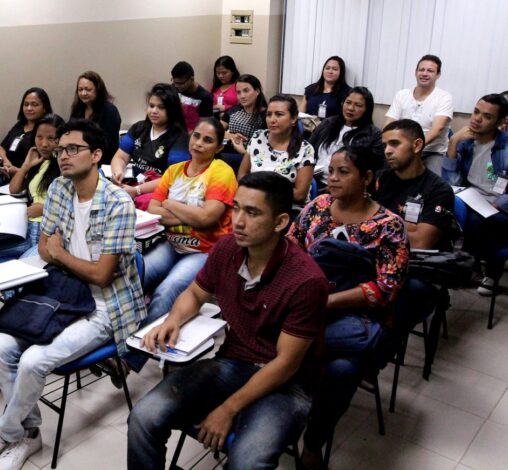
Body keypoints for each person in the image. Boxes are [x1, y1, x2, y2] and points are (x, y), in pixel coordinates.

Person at [0, 119, 146, 470]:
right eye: (60, 150)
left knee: (32, 361)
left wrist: (61, 255)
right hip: (64, 292)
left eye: (73, 149)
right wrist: (60, 256)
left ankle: (5, 433)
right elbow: (44, 248)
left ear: (96, 155)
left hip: (104, 305)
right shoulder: (58, 188)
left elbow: (102, 275)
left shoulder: (118, 203)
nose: (63, 156)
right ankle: (27, 434)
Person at [127, 172, 328, 470]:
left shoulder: (306, 281)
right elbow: (195, 293)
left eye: (252, 213)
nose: (238, 221)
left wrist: (228, 408)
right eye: (236, 208)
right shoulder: (227, 248)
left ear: (280, 222)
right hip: (234, 362)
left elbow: (286, 364)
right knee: (143, 417)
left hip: (286, 384)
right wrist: (174, 320)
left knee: (248, 462)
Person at [286, 146, 409, 469]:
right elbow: (289, 251)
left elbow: (387, 287)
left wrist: (326, 302)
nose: (333, 178)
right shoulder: (317, 207)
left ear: (366, 177)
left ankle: (313, 441)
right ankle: (275, 410)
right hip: (307, 305)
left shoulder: (388, 225)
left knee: (342, 370)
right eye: (331, 171)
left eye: (344, 172)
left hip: (355, 316)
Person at [120, 118, 237, 374]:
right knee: (132, 277)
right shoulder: (174, 170)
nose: (199, 143)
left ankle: (129, 359)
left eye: (208, 140)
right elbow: (154, 210)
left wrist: (171, 204)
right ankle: (115, 341)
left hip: (205, 251)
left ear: (219, 147)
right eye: (196, 136)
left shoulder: (221, 172)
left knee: (167, 290)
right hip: (172, 244)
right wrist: (190, 213)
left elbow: (208, 219)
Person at [376, 119, 455, 342]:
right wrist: (402, 228)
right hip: (378, 257)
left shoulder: (438, 190)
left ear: (417, 145)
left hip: (416, 266)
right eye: (384, 145)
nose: (387, 151)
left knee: (410, 290)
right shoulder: (380, 179)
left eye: (394, 144)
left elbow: (420, 242)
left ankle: (384, 345)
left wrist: (374, 226)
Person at [443, 93, 508, 295]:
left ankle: (479, 268)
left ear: (500, 122)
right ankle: (474, 267)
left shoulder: (506, 146)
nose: (477, 119)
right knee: (455, 211)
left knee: (476, 220)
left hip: (500, 207)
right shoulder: (465, 142)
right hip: (470, 200)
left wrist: (500, 203)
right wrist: (452, 144)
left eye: (487, 116)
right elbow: (451, 183)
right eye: (476, 112)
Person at [110, 83, 189, 205]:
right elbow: (120, 157)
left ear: (172, 110)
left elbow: (173, 178)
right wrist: (118, 172)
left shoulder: (180, 138)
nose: (154, 111)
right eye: (151, 106)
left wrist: (137, 190)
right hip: (132, 183)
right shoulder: (138, 128)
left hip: (157, 190)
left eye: (161, 107)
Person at [237, 94, 316, 204]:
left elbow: (300, 195)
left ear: (294, 118)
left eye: (279, 114)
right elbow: (242, 175)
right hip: (254, 201)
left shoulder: (305, 149)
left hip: (287, 207)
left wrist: (262, 190)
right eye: (269, 114)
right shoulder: (257, 137)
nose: (272, 120)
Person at [384, 54, 453, 176]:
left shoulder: (444, 97)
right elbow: (389, 123)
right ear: (416, 72)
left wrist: (413, 147)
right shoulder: (402, 95)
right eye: (421, 70)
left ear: (438, 75)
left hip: (432, 151)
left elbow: (437, 129)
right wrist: (389, 144)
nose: (425, 73)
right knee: (384, 174)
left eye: (430, 71)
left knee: (433, 182)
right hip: (401, 148)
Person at [6, 113, 65, 254]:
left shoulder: (63, 165)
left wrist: (44, 209)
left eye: (51, 139)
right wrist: (26, 165)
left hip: (46, 228)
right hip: (28, 224)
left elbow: (72, 203)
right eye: (39, 137)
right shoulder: (39, 162)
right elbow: (13, 189)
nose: (44, 144)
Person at [308, 87, 384, 187]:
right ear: (342, 103)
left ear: (367, 109)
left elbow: (375, 168)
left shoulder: (373, 134)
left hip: (346, 188)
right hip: (313, 182)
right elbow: (309, 149)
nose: (351, 108)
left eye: (358, 105)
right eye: (348, 103)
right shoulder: (328, 123)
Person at [0, 87, 53, 179]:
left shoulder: (44, 132)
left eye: (34, 105)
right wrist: (6, 162)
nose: (29, 108)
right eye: (26, 104)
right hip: (4, 173)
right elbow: (1, 148)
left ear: (44, 108)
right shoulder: (20, 125)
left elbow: (41, 172)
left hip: (24, 180)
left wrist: (16, 171)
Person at [69, 71, 122, 164]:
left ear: (98, 90)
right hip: (79, 158)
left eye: (88, 89)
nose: (83, 93)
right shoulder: (78, 109)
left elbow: (104, 143)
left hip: (103, 161)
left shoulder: (110, 111)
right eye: (80, 89)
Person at [221, 74, 268, 156]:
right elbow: (216, 130)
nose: (242, 96)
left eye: (246, 91)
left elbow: (267, 146)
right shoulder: (234, 109)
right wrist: (232, 136)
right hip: (227, 149)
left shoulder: (266, 116)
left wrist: (244, 152)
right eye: (238, 92)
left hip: (249, 156)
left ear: (257, 91)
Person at [171, 61, 214, 132]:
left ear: (191, 79)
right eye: (175, 82)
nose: (177, 86)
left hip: (192, 134)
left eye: (181, 83)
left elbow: (205, 125)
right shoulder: (174, 88)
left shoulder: (205, 97)